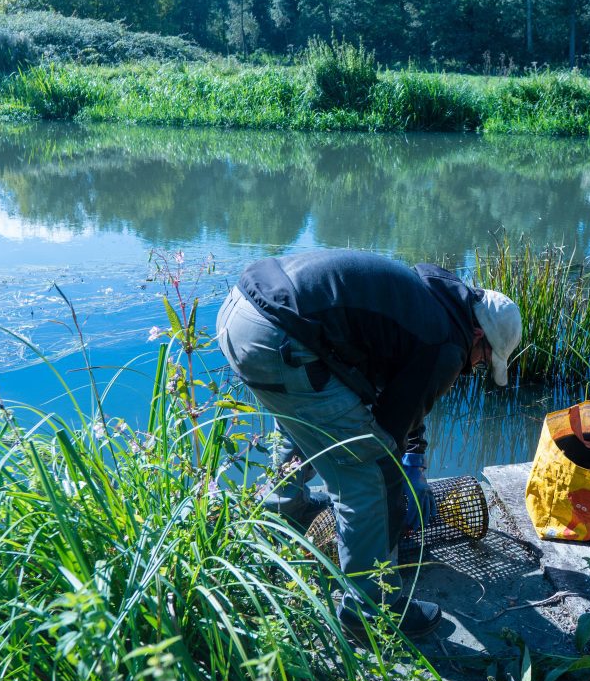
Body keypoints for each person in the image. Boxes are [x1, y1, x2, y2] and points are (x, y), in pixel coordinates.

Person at [215, 249, 521, 640]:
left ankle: (283, 513)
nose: (474, 367)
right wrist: (401, 486)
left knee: (307, 416)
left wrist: (418, 457)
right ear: (479, 336)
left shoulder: (435, 299)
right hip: (279, 334)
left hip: (242, 311)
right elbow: (385, 438)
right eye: (483, 359)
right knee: (371, 471)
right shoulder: (448, 345)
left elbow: (398, 392)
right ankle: (371, 611)